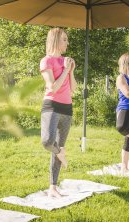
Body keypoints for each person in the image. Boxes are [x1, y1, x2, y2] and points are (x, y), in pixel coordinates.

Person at [40, 28, 77, 198]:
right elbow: (52, 88)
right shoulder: (46, 61)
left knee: (59, 146)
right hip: (52, 106)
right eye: (64, 40)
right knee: (48, 141)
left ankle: (53, 187)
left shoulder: (66, 61)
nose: (67, 43)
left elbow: (74, 89)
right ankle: (60, 153)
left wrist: (71, 71)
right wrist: (64, 70)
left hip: (67, 109)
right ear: (55, 40)